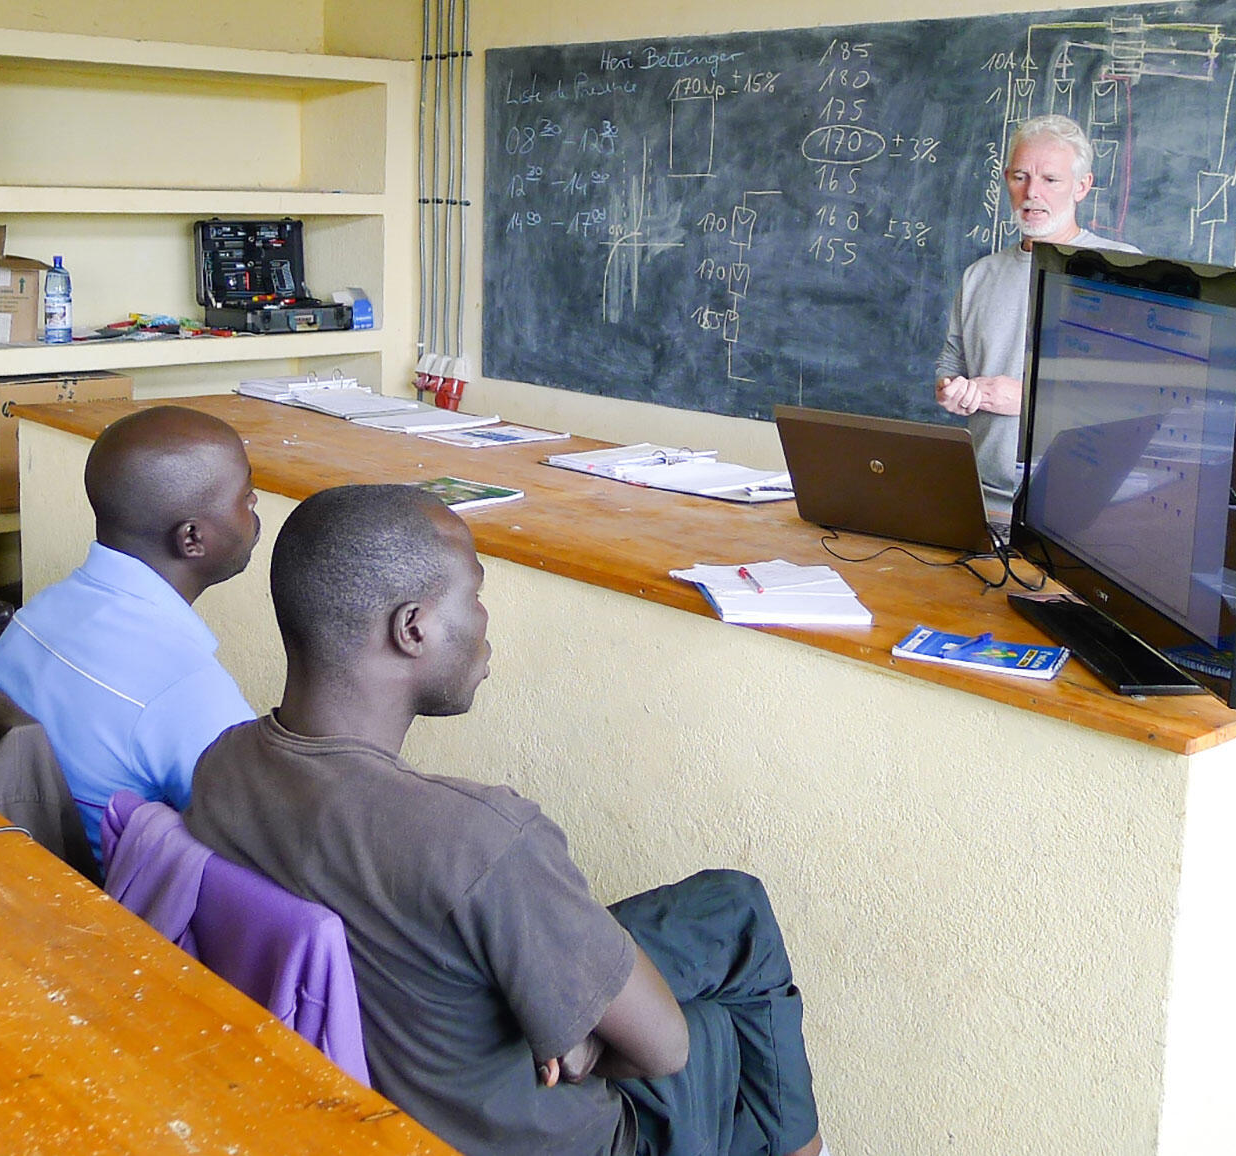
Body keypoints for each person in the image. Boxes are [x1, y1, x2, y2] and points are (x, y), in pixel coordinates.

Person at [186, 485, 826, 1156]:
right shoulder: (480, 839)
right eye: (477, 595)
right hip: (566, 1139)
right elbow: (662, 1050)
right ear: (414, 628)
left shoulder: (222, 766)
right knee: (727, 1012)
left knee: (728, 906)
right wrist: (581, 1040)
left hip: (393, 1082)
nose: (485, 621)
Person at [0, 404, 263, 861]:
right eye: (246, 495)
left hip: (30, 871)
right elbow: (264, 843)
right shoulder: (184, 687)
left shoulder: (37, 614)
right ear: (191, 539)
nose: (254, 506)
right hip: (118, 915)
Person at [934, 113, 1139, 514]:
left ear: (1082, 186)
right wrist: (950, 389)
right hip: (984, 498)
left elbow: (1141, 396)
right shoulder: (980, 275)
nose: (1032, 193)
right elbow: (951, 362)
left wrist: (1029, 399)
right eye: (1020, 177)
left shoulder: (1122, 272)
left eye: (1050, 180)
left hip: (1085, 506)